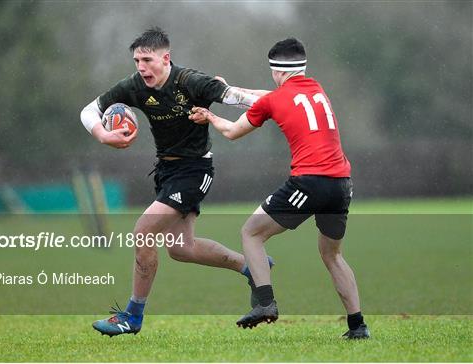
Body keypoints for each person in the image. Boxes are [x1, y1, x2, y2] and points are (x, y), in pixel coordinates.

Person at [80, 27, 273, 337]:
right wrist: (104, 135)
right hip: (167, 171)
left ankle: (133, 315)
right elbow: (89, 110)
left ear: (166, 58)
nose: (141, 67)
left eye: (147, 59)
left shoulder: (191, 81)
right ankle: (252, 266)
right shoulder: (134, 86)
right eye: (136, 61)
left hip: (195, 170)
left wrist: (281, 99)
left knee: (143, 231)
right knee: (181, 248)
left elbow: (239, 99)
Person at [189, 37, 370, 339]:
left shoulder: (275, 100)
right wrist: (232, 90)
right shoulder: (317, 89)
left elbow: (233, 131)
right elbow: (268, 97)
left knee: (251, 233)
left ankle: (265, 303)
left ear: (276, 71)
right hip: (341, 184)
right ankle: (357, 326)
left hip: (309, 182)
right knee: (332, 255)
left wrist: (210, 116)